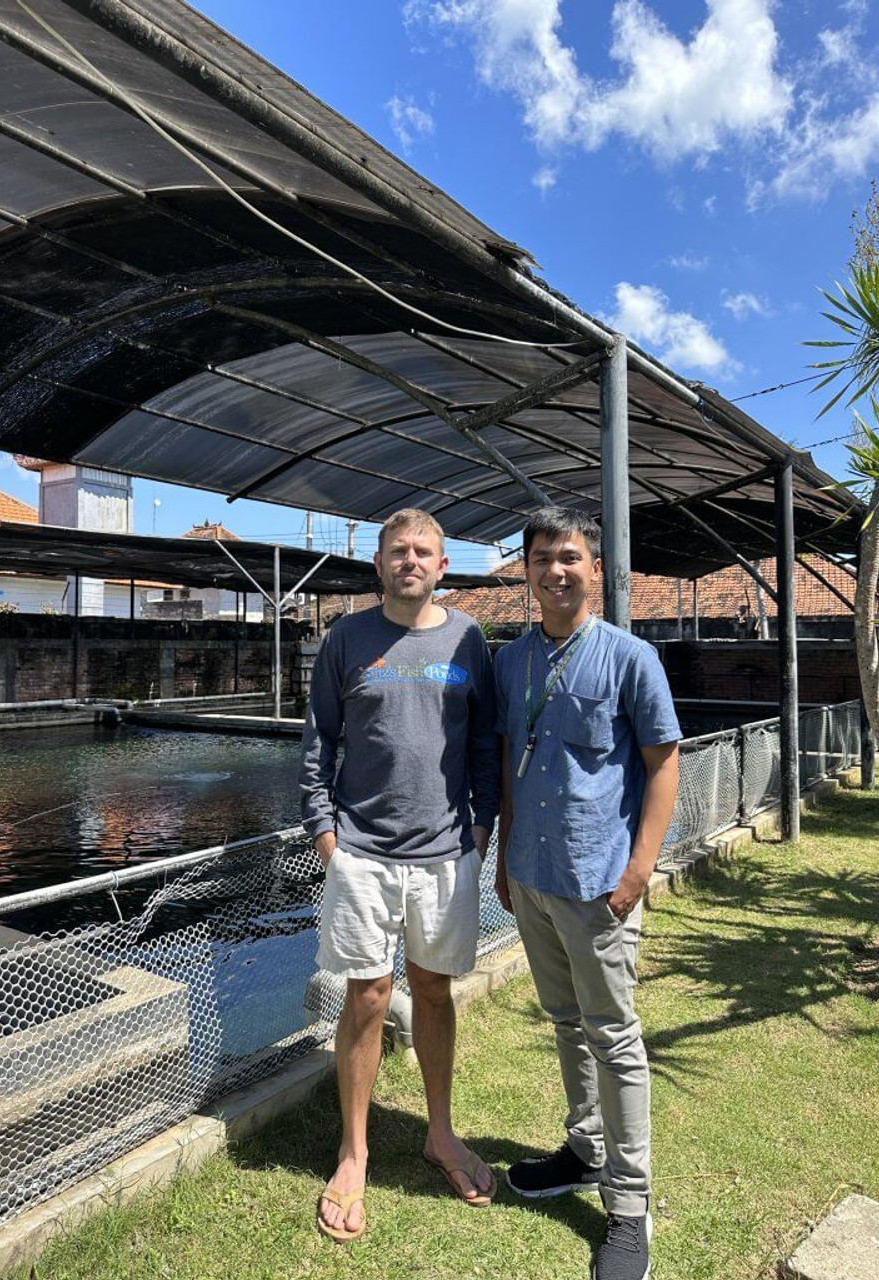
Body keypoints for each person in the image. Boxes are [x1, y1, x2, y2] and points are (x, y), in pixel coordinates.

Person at [300, 507, 500, 1243]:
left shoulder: (468, 638)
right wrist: (325, 834)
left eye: (423, 551)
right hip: (361, 852)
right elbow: (320, 738)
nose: (410, 560)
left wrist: (481, 827)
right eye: (398, 550)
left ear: (442, 566)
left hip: (446, 851)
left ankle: (439, 1132)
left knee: (433, 991)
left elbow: (484, 739)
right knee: (366, 994)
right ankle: (353, 1151)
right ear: (379, 562)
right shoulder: (346, 637)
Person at [493, 507, 680, 1280]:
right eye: (541, 558)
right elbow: (509, 759)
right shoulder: (511, 661)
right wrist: (503, 860)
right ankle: (584, 1150)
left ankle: (628, 1212)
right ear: (528, 571)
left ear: (596, 571)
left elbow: (664, 762)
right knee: (566, 1023)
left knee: (616, 1039)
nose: (555, 570)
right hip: (533, 881)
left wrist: (637, 873)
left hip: (600, 885)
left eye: (569, 557)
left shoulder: (631, 659)